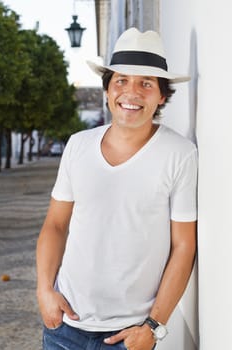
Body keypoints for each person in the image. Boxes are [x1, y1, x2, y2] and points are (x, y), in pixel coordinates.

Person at [36, 27, 197, 350]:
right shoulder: (78, 145)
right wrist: (44, 290)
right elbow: (55, 224)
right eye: (121, 80)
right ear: (108, 90)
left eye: (146, 83)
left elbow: (183, 246)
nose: (131, 92)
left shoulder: (179, 154)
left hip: (130, 335)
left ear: (162, 95)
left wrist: (153, 326)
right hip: (65, 327)